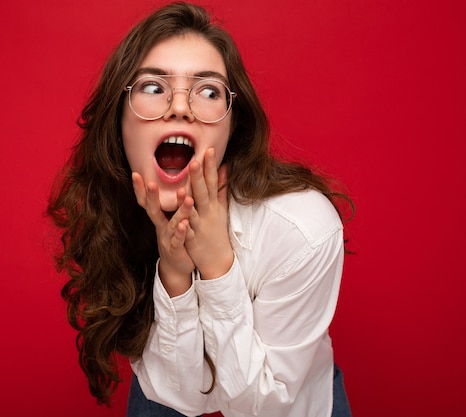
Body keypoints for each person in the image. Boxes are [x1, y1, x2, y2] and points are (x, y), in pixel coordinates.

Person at [47, 2, 353, 416]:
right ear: (119, 122)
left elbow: (262, 406)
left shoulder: (302, 228)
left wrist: (217, 267)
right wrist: (173, 275)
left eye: (208, 91)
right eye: (153, 87)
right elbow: (178, 399)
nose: (180, 107)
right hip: (168, 387)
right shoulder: (118, 210)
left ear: (233, 124)